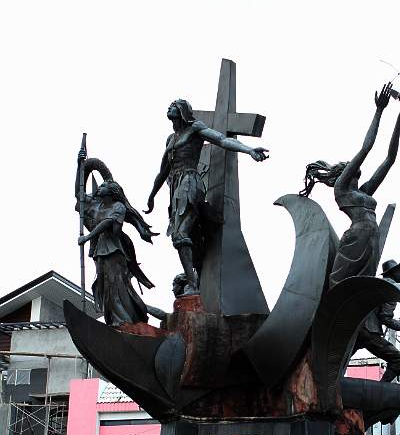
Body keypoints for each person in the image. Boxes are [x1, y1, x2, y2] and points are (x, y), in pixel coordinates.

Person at [300, 84, 400, 288]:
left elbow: (389, 159)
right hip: (357, 237)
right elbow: (366, 148)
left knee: (361, 289)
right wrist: (379, 111)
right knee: (340, 285)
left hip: (372, 237)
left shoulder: (363, 191)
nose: (355, 167)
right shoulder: (342, 188)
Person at [144, 99, 268, 294]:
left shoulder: (195, 129)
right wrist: (152, 196)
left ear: (183, 111)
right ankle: (197, 281)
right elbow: (162, 172)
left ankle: (192, 286)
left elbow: (222, 140)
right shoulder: (170, 139)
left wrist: (249, 149)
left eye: (174, 105)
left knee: (180, 235)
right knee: (187, 238)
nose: (169, 107)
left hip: (189, 182)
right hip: (174, 187)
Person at [78, 179, 156, 327]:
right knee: (104, 285)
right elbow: (78, 194)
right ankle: (112, 319)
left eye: (103, 186)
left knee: (115, 284)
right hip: (100, 251)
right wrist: (79, 165)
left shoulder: (119, 207)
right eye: (99, 186)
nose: (99, 188)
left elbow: (108, 223)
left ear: (112, 191)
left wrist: (87, 237)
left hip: (114, 251)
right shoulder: (98, 206)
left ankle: (123, 320)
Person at [354, 259, 400, 383]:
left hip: (355, 329)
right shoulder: (392, 288)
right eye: (399, 271)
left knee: (340, 363)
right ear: (393, 272)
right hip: (369, 331)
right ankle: (380, 390)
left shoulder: (375, 284)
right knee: (399, 361)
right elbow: (386, 319)